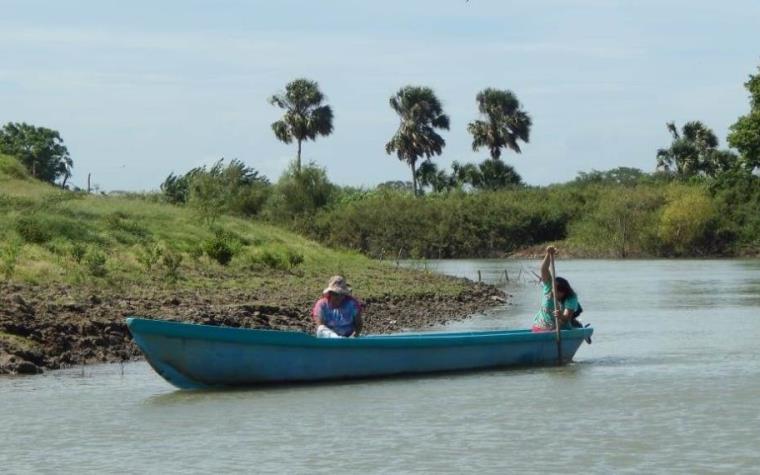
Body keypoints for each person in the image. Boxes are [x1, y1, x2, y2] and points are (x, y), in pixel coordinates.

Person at [532, 246, 581, 333]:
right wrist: (548, 254)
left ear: (563, 293)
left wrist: (561, 316)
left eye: (556, 292)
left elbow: (566, 317)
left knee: (566, 321)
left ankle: (576, 324)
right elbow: (544, 269)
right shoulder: (548, 285)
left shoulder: (571, 298)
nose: (552, 293)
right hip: (540, 326)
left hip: (560, 329)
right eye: (552, 290)